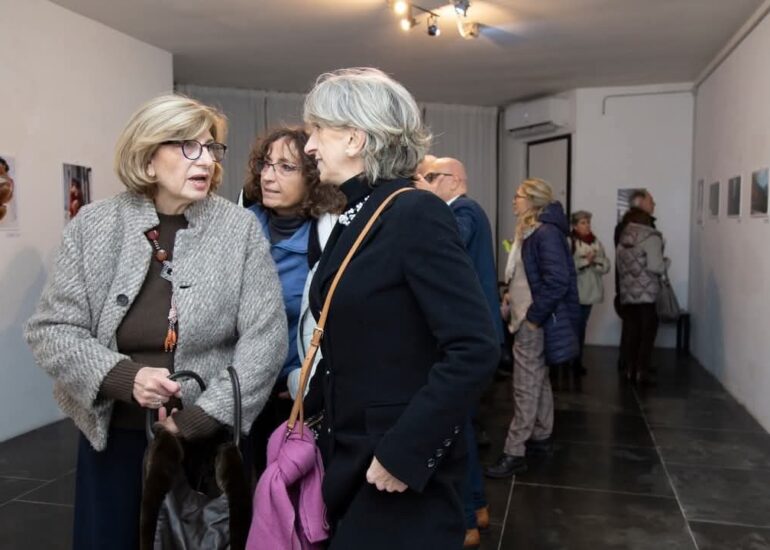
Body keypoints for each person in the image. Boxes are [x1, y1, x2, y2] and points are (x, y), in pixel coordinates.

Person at [24, 94, 288, 550]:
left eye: (210, 147)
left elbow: (266, 339)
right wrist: (125, 378)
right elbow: (52, 330)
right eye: (188, 147)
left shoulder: (239, 229)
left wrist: (203, 417)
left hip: (206, 445)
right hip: (115, 440)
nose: (205, 159)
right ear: (147, 158)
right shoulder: (94, 225)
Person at [302, 67, 499, 549]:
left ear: (354, 138)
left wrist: (406, 452)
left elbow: (474, 346)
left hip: (393, 466)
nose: (309, 146)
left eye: (317, 131)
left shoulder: (414, 211)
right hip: (352, 456)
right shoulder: (360, 213)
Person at [244, 126, 344, 475]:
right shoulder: (240, 227)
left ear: (313, 177)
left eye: (286, 167)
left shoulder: (327, 241)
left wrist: (306, 380)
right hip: (242, 389)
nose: (268, 176)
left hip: (293, 393)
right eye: (266, 164)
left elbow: (338, 322)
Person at [415, 156, 501, 548]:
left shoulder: (463, 211)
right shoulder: (469, 211)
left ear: (455, 181)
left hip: (467, 339)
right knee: (461, 424)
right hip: (475, 335)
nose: (426, 183)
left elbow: (445, 245)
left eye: (432, 177)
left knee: (456, 432)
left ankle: (466, 521)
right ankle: (477, 507)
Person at [486, 178, 579, 478]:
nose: (514, 200)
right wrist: (511, 295)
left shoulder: (544, 233)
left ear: (533, 200)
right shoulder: (534, 231)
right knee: (537, 379)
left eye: (518, 196)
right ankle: (541, 436)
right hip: (526, 317)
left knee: (525, 385)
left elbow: (558, 281)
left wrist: (534, 316)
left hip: (532, 321)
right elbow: (529, 276)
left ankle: (514, 452)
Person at [616, 190, 666, 385]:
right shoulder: (651, 237)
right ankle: (641, 372)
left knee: (632, 332)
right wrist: (666, 262)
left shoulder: (623, 236)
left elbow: (620, 266)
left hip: (628, 293)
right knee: (647, 334)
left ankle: (630, 369)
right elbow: (656, 266)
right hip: (647, 294)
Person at [570, 210, 610, 375]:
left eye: (588, 222)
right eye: (583, 223)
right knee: (575, 328)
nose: (587, 226)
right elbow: (568, 267)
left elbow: (606, 265)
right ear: (575, 226)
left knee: (581, 327)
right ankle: (571, 361)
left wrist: (594, 261)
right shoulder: (570, 242)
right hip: (576, 293)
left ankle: (577, 361)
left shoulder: (596, 242)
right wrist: (586, 261)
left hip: (591, 293)